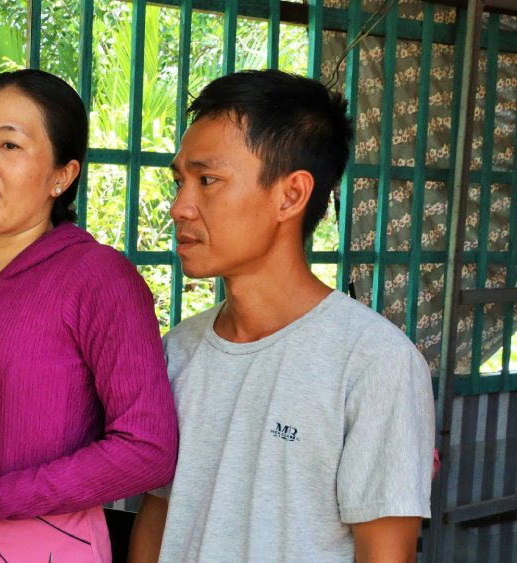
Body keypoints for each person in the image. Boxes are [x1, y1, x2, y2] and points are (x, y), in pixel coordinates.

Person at [127, 69, 436, 562]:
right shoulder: (178, 350)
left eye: (208, 180)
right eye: (180, 181)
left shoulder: (375, 364)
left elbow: (383, 554)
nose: (180, 207)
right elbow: (159, 517)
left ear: (290, 195)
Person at [0, 69, 178, 562]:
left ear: (62, 176)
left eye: (9, 146)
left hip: (43, 543)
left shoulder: (99, 278)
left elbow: (147, 450)